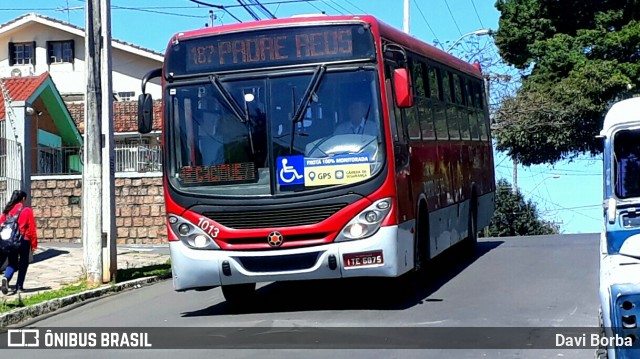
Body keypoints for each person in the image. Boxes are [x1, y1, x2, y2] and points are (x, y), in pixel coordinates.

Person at [0, 190, 37, 295]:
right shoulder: (27, 210)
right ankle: (19, 286)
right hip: (24, 240)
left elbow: (1, 225)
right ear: (23, 199)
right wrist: (34, 245)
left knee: (12, 263)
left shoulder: (7, 211)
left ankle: (6, 278)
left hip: (10, 242)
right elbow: (32, 229)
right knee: (23, 264)